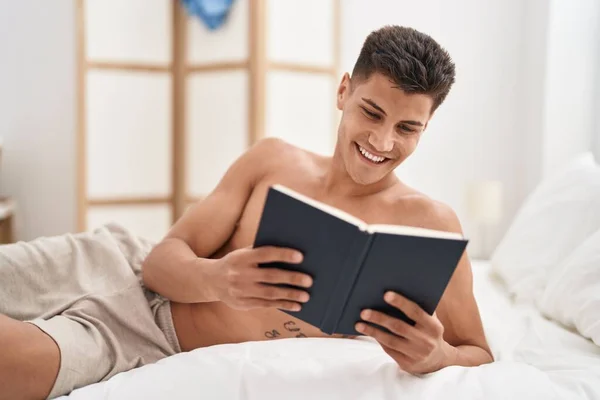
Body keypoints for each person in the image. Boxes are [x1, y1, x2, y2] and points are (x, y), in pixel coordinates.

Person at [0, 25, 493, 400]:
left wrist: (438, 355)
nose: (383, 142)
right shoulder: (273, 161)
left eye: (408, 127)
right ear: (344, 91)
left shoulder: (432, 226)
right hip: (112, 259)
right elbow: (159, 262)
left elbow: (478, 351)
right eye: (371, 112)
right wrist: (220, 280)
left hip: (142, 335)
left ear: (426, 127)